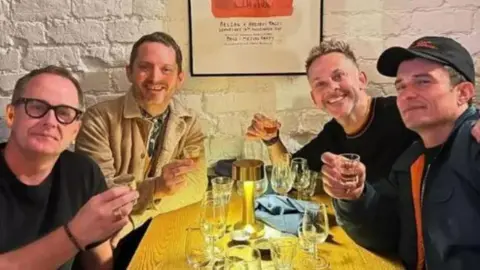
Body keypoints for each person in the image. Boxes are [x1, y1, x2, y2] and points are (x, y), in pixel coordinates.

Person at [322, 36, 480, 269]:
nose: (407, 94)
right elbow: (383, 235)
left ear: (463, 93)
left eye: (423, 82)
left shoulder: (473, 145)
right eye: (401, 86)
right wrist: (354, 196)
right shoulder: (412, 160)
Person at [0, 66, 138, 270]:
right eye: (37, 107)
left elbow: (99, 262)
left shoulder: (83, 172)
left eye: (64, 113)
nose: (50, 121)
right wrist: (74, 235)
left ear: (75, 131)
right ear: (11, 115)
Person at [75, 32, 208, 242]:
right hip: (106, 237)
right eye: (145, 67)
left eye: (166, 69)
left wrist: (139, 218)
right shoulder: (98, 119)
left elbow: (196, 186)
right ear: (129, 72)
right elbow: (100, 193)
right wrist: (157, 188)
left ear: (179, 78)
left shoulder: (189, 122)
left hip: (159, 225)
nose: (155, 78)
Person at [247, 39, 418, 183]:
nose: (332, 88)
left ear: (361, 80)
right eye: (320, 84)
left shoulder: (403, 114)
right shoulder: (333, 133)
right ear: (315, 99)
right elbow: (292, 175)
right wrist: (272, 140)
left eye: (338, 76)